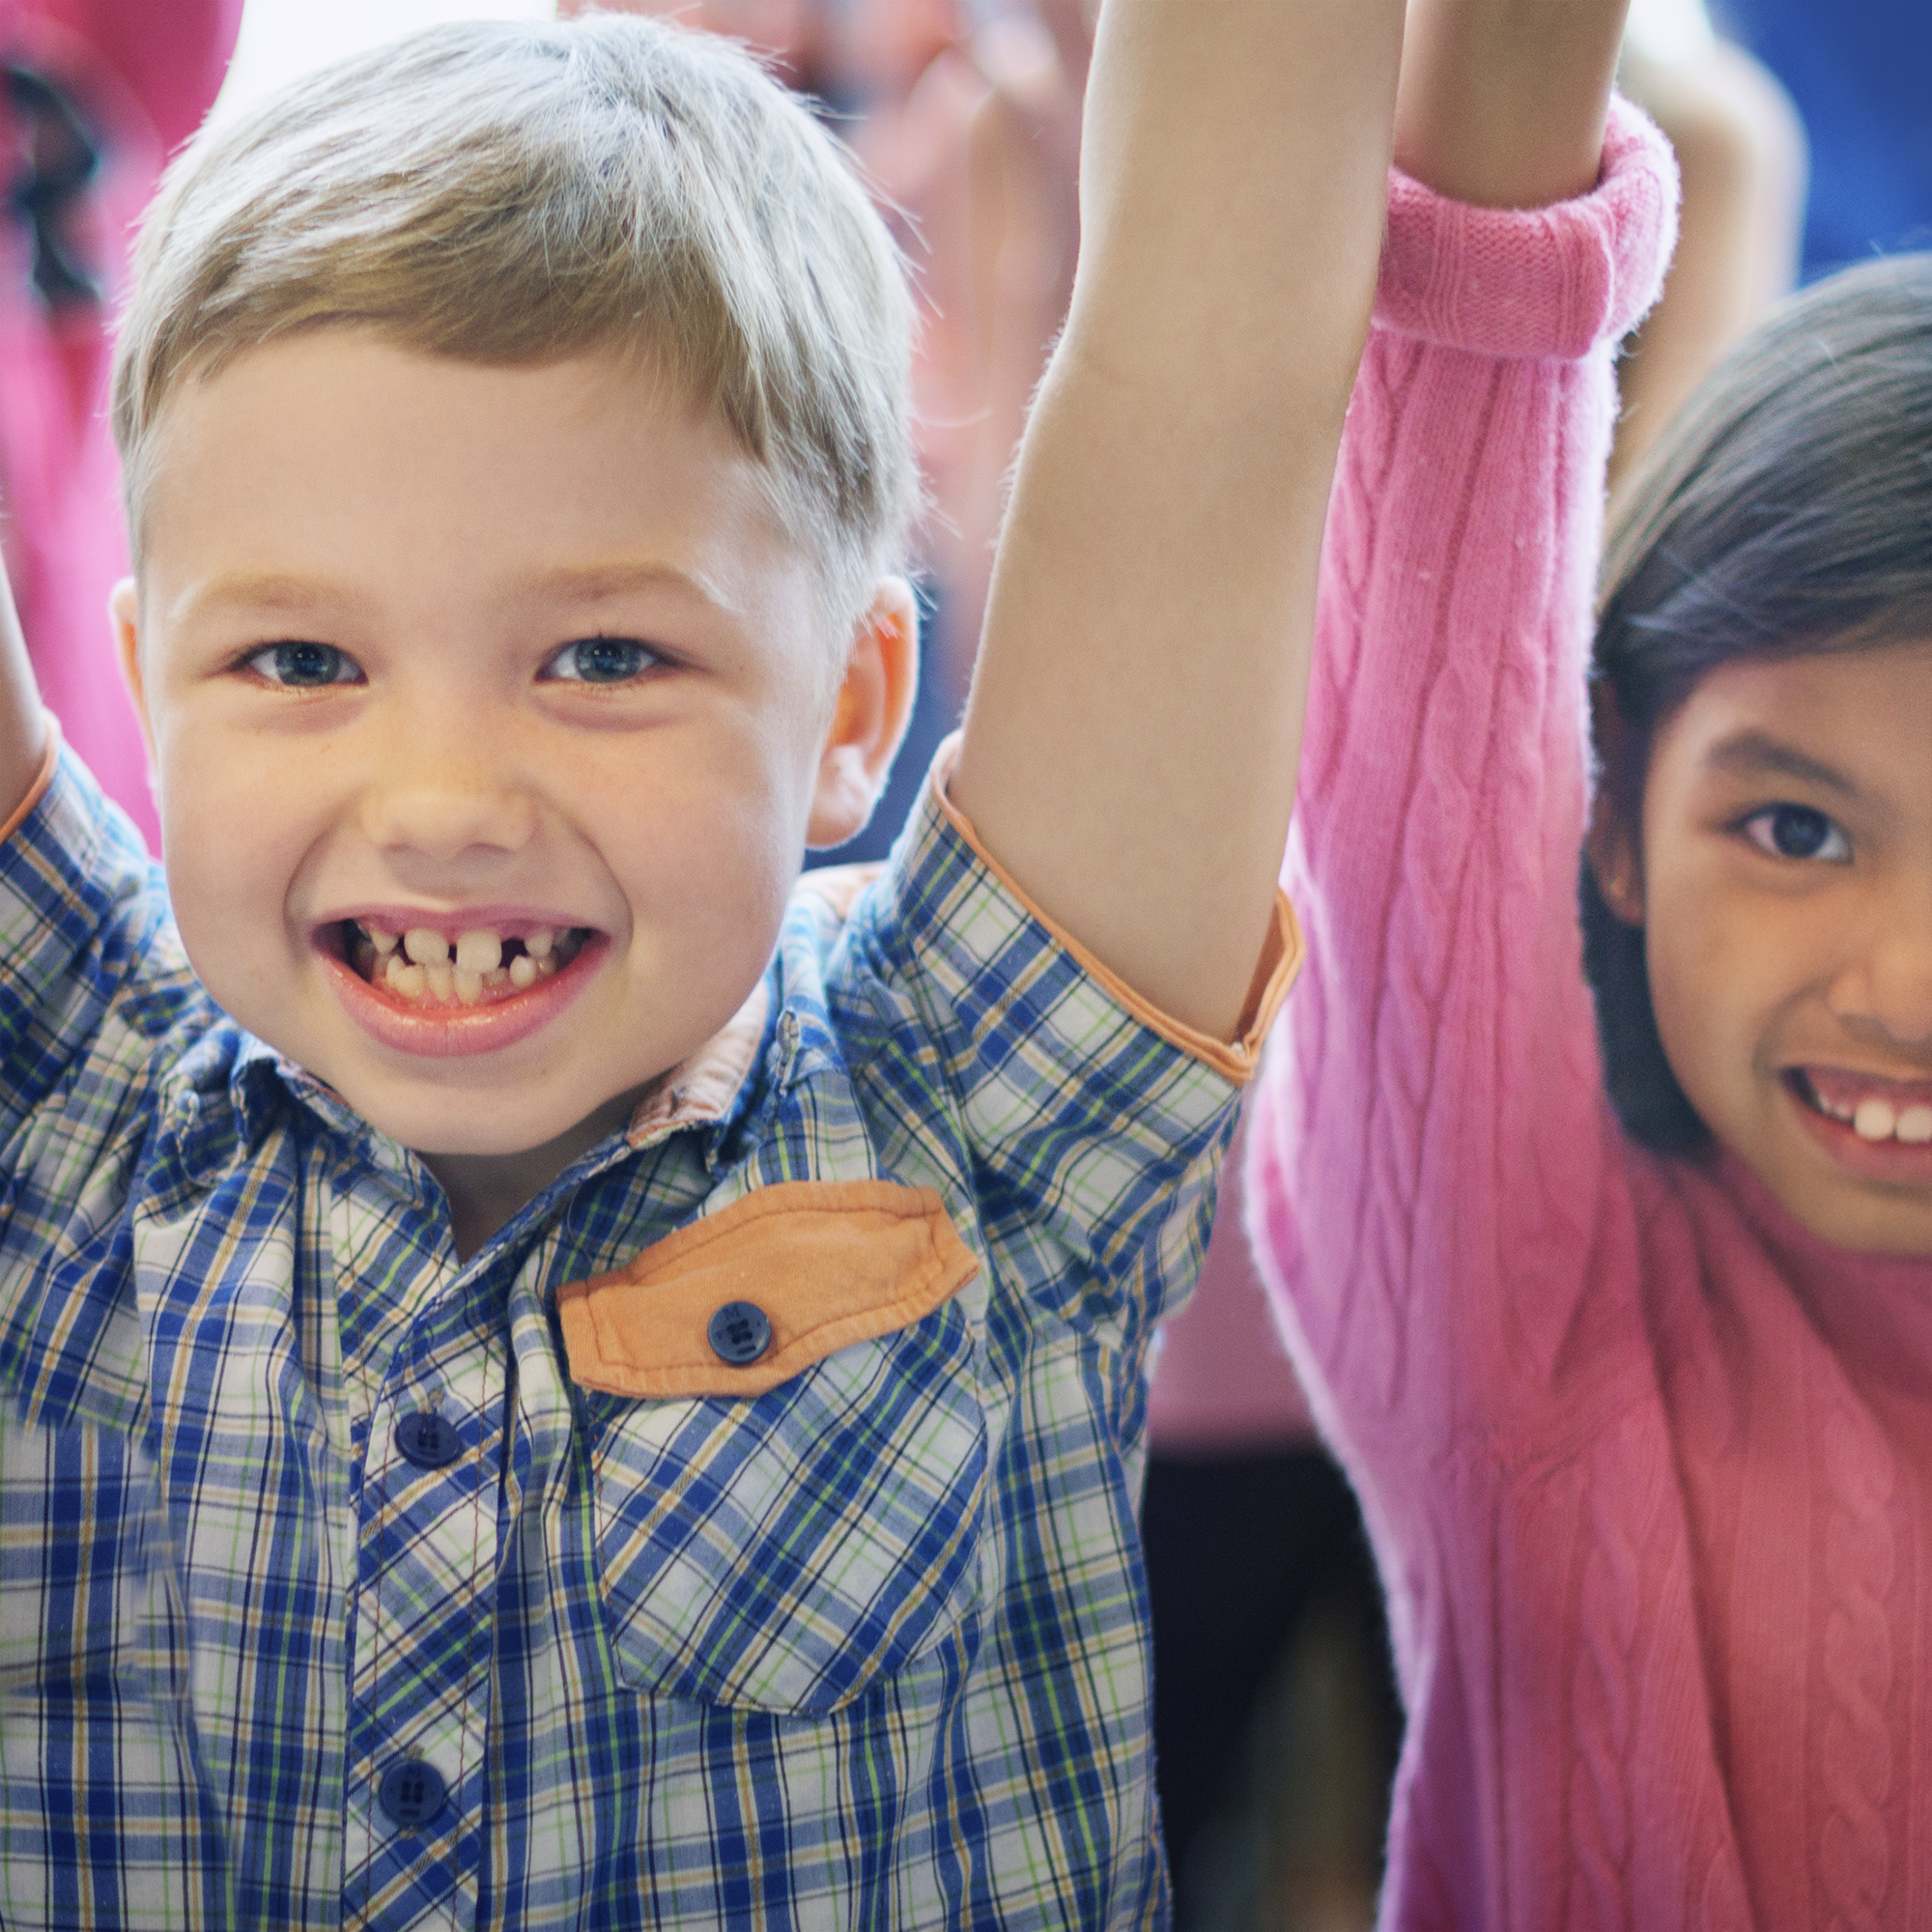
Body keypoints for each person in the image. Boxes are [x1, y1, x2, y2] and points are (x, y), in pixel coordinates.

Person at [0, 3, 1405, 1922]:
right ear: (148, 687)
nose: (441, 800)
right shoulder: (60, 1094)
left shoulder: (973, 1099)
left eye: (602, 659)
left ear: (852, 703)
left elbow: (1211, 379)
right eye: (300, 664)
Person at [1246, 0, 1932, 1927]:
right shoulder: (1526, 1322)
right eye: (1792, 829)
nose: (1905, 982)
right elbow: (1435, 614)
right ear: (1611, 825)